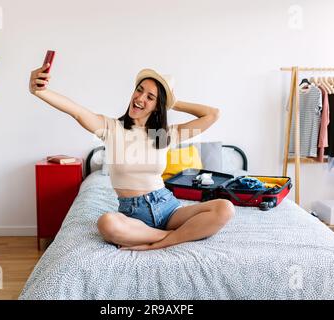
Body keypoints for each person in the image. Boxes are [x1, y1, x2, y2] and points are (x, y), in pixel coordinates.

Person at [29, 64, 235, 251]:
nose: (140, 98)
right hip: (134, 214)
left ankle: (164, 240)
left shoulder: (164, 135)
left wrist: (172, 102)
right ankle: (173, 237)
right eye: (139, 90)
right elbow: (77, 112)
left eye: (150, 97)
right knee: (107, 223)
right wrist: (40, 90)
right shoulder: (111, 128)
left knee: (225, 207)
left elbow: (212, 114)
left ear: (158, 106)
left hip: (168, 208)